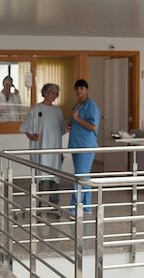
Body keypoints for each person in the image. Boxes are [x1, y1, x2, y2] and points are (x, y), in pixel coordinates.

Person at [20, 83, 66, 211]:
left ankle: (54, 205)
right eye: (52, 92)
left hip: (55, 149)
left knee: (54, 177)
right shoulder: (36, 110)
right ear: (45, 92)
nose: (55, 96)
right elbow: (27, 128)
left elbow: (61, 130)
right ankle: (38, 204)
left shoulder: (58, 111)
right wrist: (31, 136)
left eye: (57, 94)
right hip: (40, 149)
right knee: (41, 177)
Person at [67, 79, 100, 215]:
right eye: (77, 88)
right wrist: (70, 125)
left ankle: (75, 209)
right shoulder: (78, 105)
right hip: (77, 144)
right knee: (84, 177)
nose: (79, 91)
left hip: (86, 145)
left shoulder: (91, 105)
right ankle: (86, 207)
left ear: (87, 89)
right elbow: (77, 121)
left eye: (82, 88)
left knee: (80, 177)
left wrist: (78, 120)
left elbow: (93, 126)